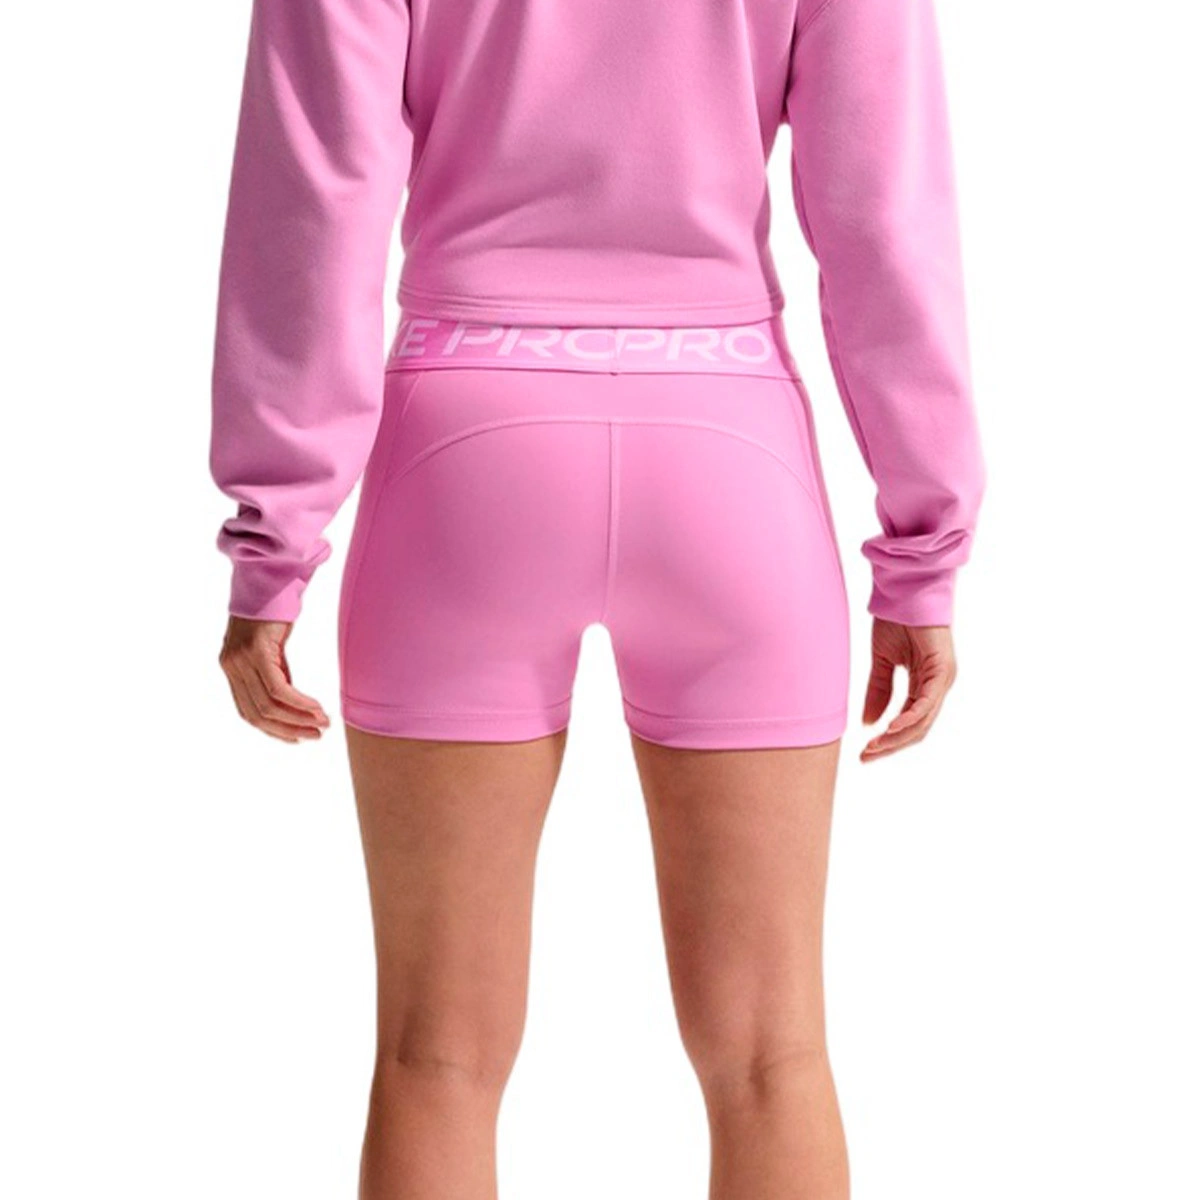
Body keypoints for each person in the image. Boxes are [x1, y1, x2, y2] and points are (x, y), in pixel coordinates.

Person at [210, 0, 986, 1195]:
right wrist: (923, 549)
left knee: (434, 1058)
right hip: (729, 453)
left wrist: (275, 537)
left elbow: (313, 205)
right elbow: (886, 222)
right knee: (771, 1057)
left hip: (467, 452)